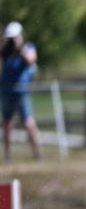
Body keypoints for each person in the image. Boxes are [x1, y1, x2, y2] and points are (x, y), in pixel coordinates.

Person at [1, 21, 41, 161]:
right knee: (7, 122)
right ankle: (7, 155)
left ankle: (37, 152)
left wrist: (20, 49)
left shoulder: (28, 48)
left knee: (27, 122)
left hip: (21, 91)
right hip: (6, 91)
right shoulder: (6, 51)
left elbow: (31, 60)